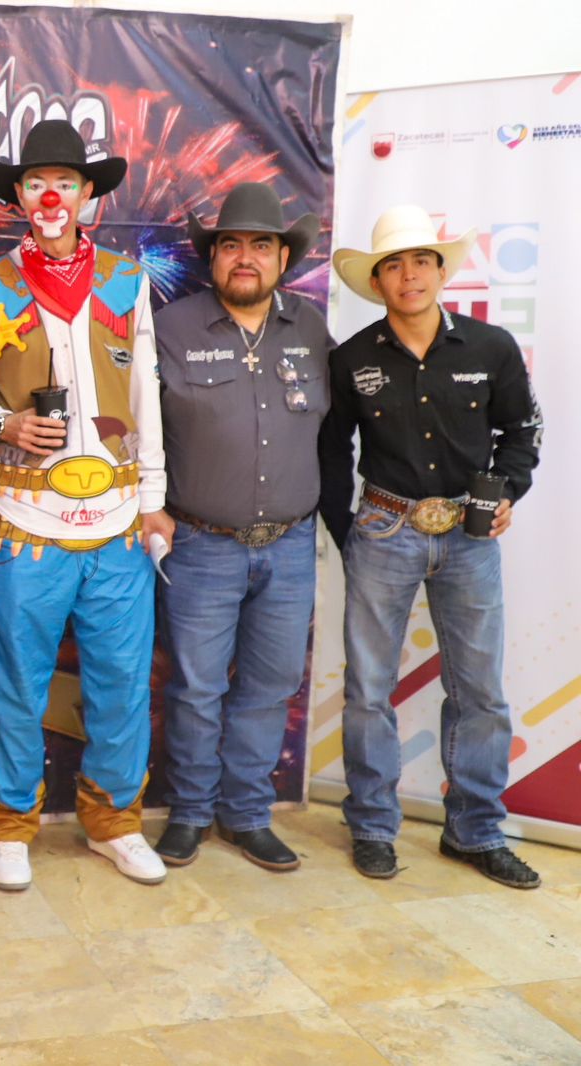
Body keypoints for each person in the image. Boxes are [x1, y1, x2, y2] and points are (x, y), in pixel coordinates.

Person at [0, 119, 173, 889]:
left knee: (121, 681)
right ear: (19, 195)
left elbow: (146, 392)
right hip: (25, 520)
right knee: (17, 681)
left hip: (116, 521)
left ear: (87, 195)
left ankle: (114, 820)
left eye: (66, 183)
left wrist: (154, 499)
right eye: (37, 183)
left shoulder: (126, 281)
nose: (52, 196)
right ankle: (10, 823)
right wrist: (2, 423)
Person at [319, 205, 542, 887]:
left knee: (480, 691)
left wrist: (505, 494)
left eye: (421, 261)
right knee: (368, 691)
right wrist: (349, 532)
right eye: (394, 265)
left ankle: (475, 832)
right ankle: (371, 826)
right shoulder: (351, 359)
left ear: (442, 272)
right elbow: (331, 452)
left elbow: (522, 433)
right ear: (377, 281)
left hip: (471, 538)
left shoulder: (490, 347)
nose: (409, 275)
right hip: (383, 530)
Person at [151, 182, 333, 871]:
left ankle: (248, 814)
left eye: (262, 245)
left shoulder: (311, 329)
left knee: (270, 684)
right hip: (202, 544)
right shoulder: (171, 328)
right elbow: (137, 429)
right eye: (231, 244)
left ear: (284, 258)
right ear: (213, 257)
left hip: (290, 546)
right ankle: (191, 813)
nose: (246, 257)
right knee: (196, 688)